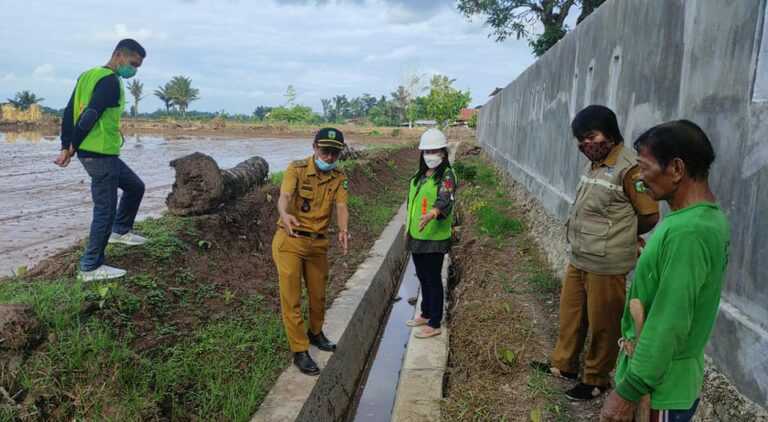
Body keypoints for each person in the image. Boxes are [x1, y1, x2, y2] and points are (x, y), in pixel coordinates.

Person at [600, 120, 730, 422]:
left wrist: (629, 390)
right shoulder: (704, 219)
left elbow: (669, 320)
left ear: (676, 169)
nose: (639, 177)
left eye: (644, 167)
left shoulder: (688, 232)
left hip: (659, 392)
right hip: (668, 380)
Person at [531, 105, 660, 401]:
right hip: (581, 255)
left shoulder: (630, 168)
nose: (585, 144)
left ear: (610, 134)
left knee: (604, 322)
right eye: (581, 139)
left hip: (607, 260)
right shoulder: (596, 163)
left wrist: (626, 234)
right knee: (571, 314)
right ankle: (564, 365)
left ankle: (596, 378)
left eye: (591, 136)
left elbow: (649, 214)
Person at [55, 39, 148, 282]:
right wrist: (72, 146)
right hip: (99, 154)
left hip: (102, 153)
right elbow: (90, 115)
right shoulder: (110, 81)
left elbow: (69, 112)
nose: (134, 70)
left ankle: (121, 230)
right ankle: (90, 266)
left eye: (138, 66)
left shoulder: (88, 75)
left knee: (135, 187)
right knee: (105, 210)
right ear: (118, 55)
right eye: (132, 63)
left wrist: (65, 145)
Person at [272, 127, 349, 375]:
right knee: (292, 298)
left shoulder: (338, 176)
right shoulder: (296, 169)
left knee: (318, 295)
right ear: (314, 147)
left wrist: (343, 230)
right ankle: (299, 350)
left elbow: (341, 206)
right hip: (290, 240)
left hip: (317, 244)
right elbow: (285, 196)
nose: (329, 157)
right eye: (325, 151)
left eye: (335, 153)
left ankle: (315, 333)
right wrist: (284, 214)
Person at [404, 128, 456, 339]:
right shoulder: (421, 175)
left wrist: (433, 213)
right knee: (422, 276)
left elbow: (444, 199)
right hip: (417, 235)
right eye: (427, 151)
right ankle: (425, 313)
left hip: (434, 238)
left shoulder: (447, 175)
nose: (430, 155)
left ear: (443, 152)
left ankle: (435, 322)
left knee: (433, 279)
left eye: (435, 151)